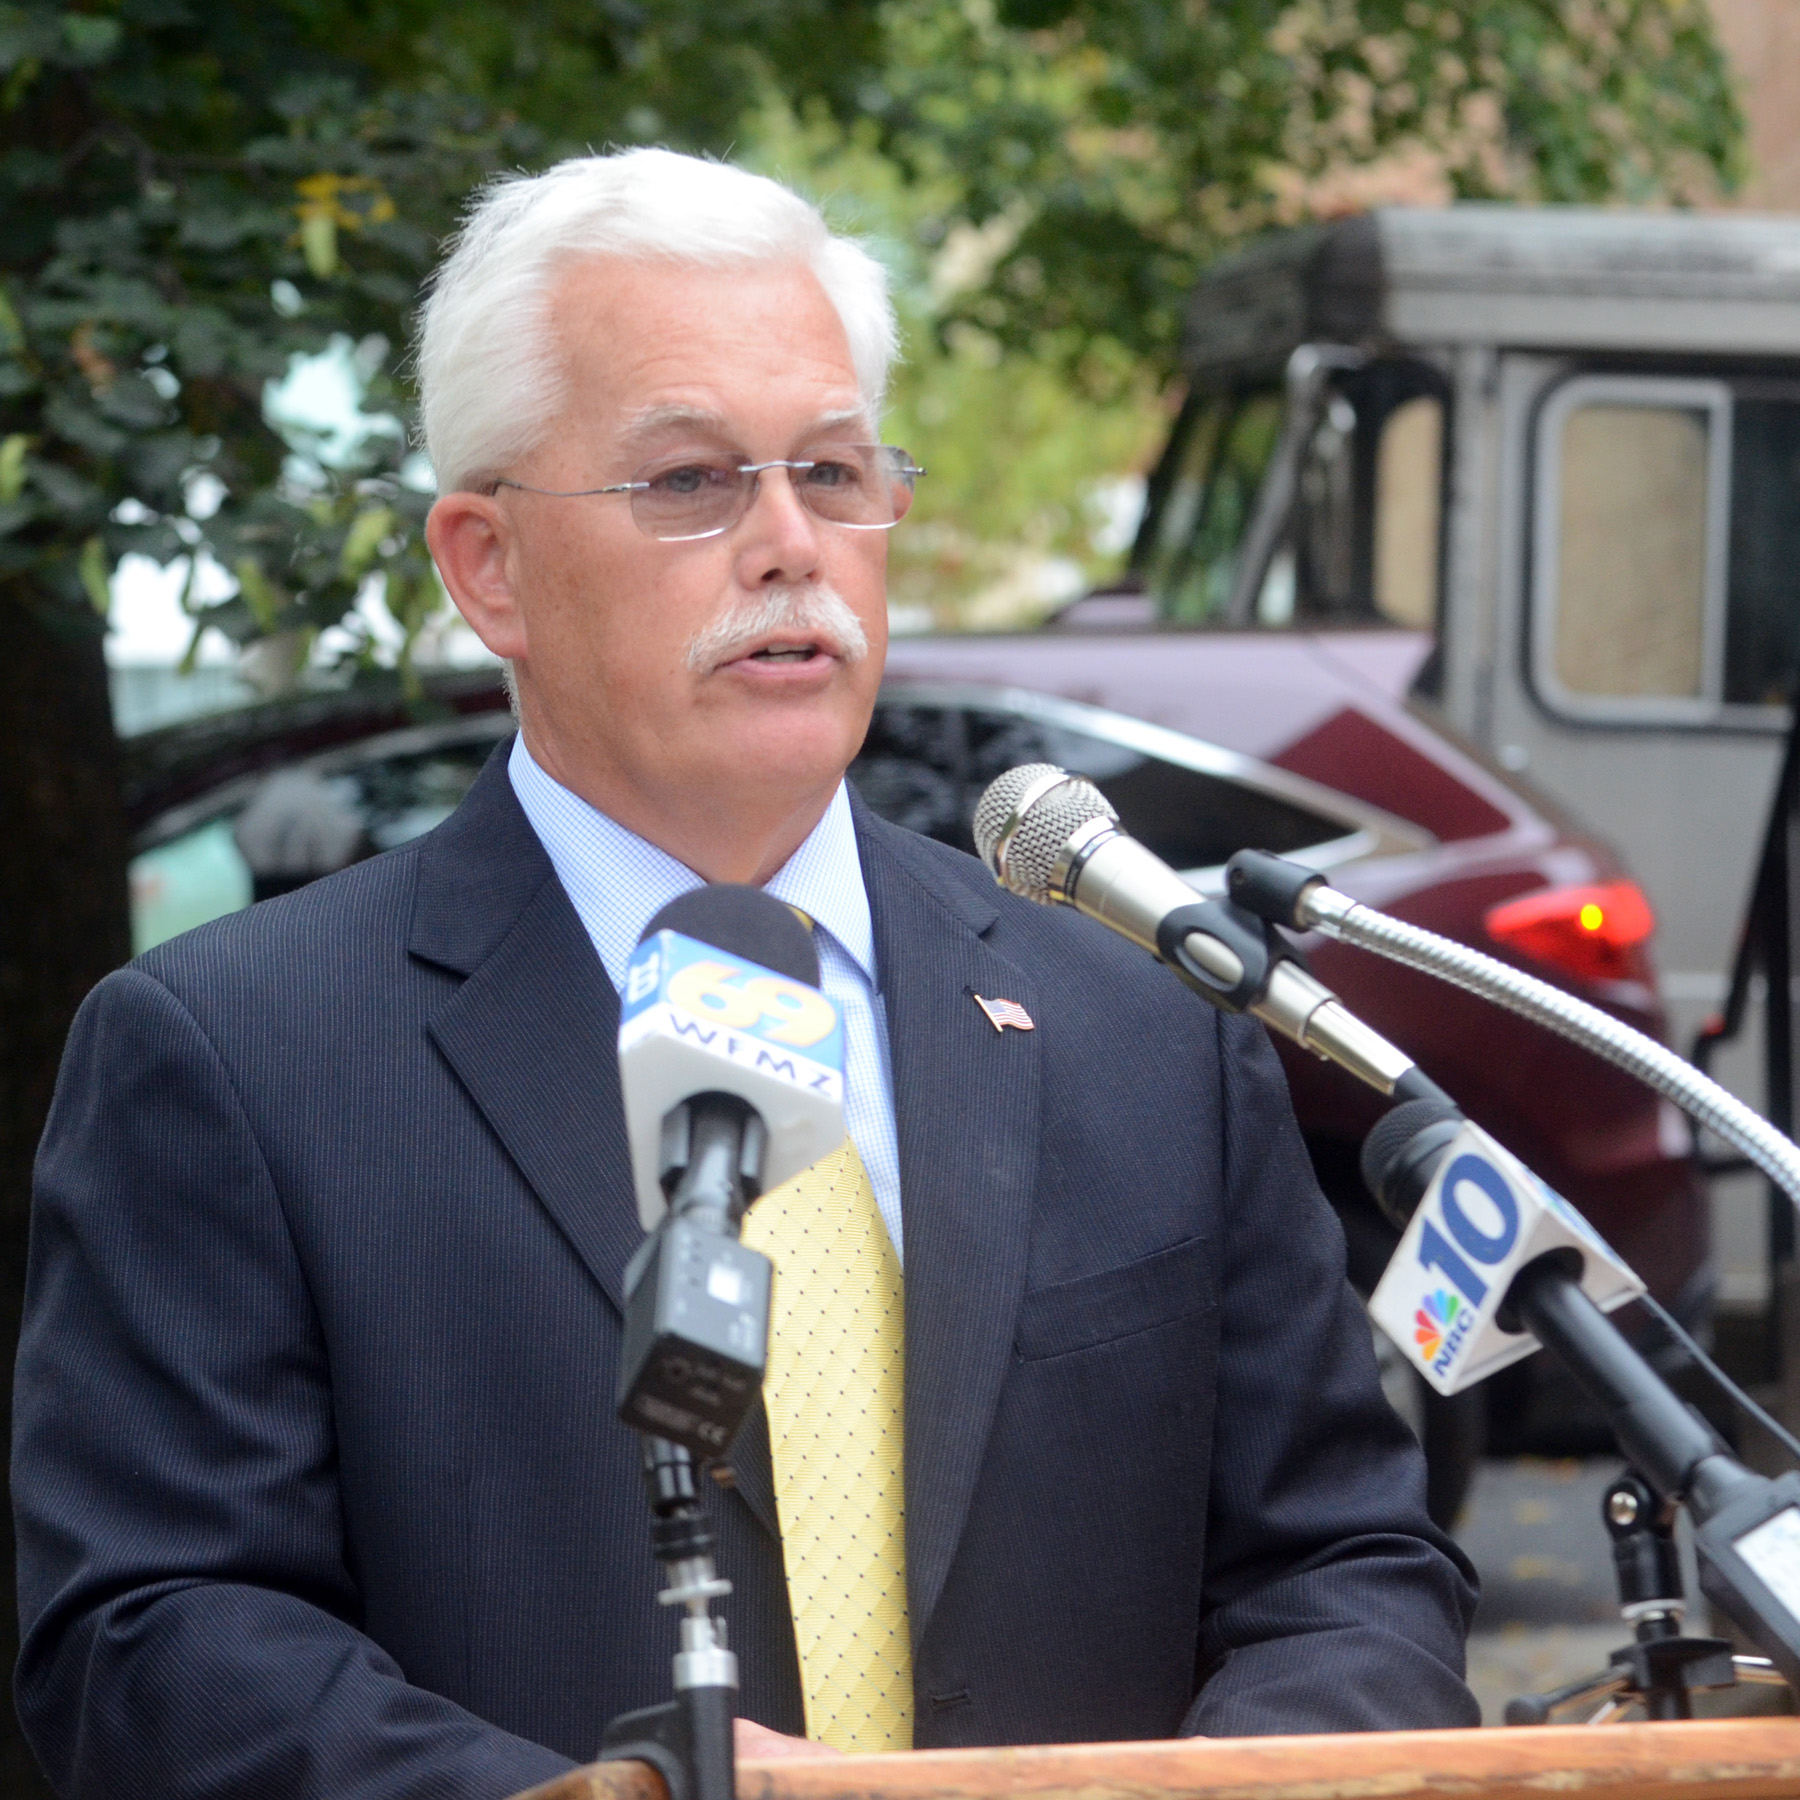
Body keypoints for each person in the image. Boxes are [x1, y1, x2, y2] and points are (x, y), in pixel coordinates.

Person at [13, 149, 1479, 1800]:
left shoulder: (1134, 1024)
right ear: (488, 565)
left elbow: (1345, 1570)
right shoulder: (239, 1051)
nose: (791, 544)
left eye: (836, 472)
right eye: (692, 482)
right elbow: (155, 1643)